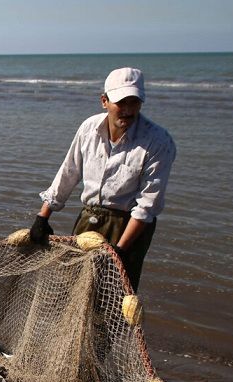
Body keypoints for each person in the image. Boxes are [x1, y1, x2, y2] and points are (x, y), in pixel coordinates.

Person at [29, 67, 176, 292]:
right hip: (90, 217)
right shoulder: (89, 129)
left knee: (113, 295)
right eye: (121, 103)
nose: (128, 110)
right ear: (104, 101)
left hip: (129, 224)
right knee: (75, 286)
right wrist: (43, 216)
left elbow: (147, 205)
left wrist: (122, 250)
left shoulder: (158, 141)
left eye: (134, 102)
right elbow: (69, 172)